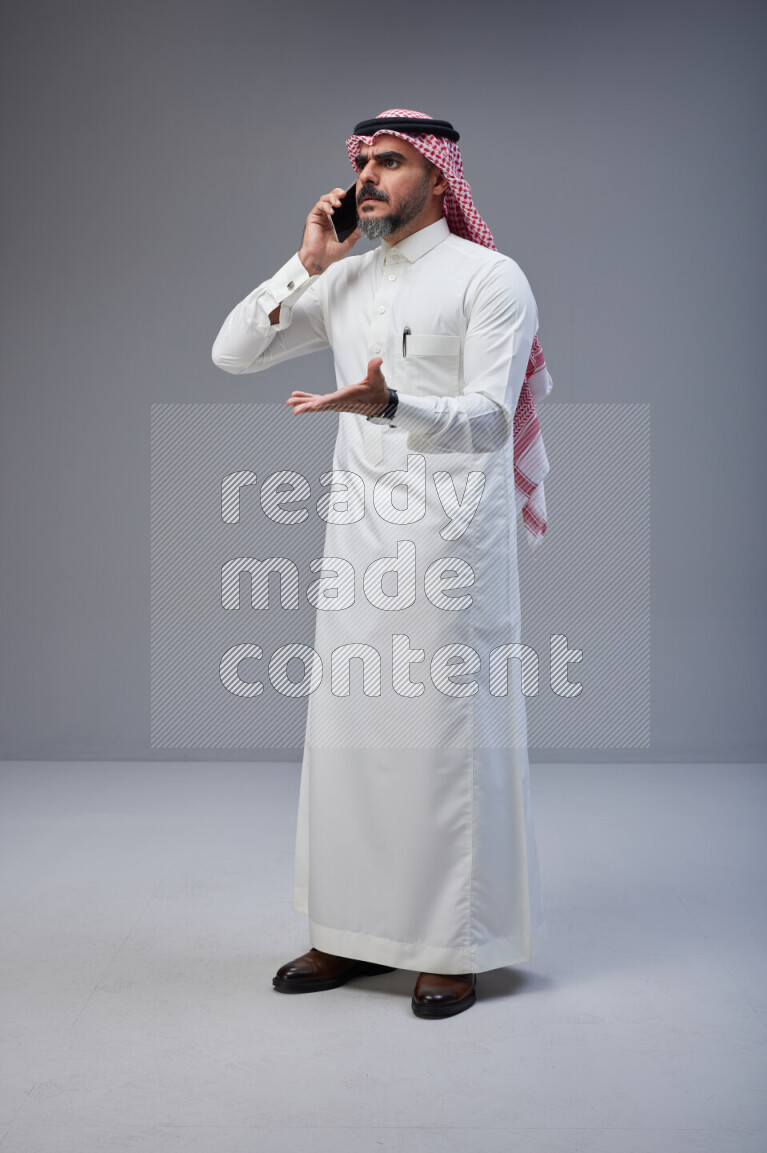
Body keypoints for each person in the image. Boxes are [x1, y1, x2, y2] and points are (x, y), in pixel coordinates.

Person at [212, 109, 553, 1019]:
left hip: (451, 546)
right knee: (351, 739)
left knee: (443, 744)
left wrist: (390, 401)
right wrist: (306, 266)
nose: (369, 177)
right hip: (359, 544)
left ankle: (453, 945)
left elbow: (489, 417)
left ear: (440, 180)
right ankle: (349, 934)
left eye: (391, 162)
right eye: (363, 162)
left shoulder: (491, 277)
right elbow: (234, 351)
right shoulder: (345, 279)